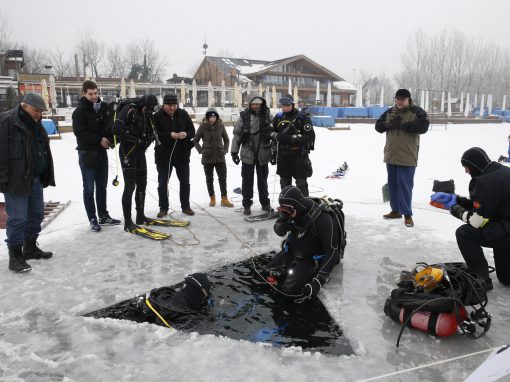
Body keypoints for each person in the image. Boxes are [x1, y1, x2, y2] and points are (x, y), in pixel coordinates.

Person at [430, 147, 510, 289]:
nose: (466, 171)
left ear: (474, 166)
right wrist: (457, 199)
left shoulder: (485, 183)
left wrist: (455, 209)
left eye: (466, 167)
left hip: (505, 231)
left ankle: (481, 280)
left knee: (464, 233)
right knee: (506, 278)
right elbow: (486, 205)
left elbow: (478, 221)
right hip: (505, 224)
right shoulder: (502, 172)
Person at [0, 93, 55, 273]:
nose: (39, 114)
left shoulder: (37, 125)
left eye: (40, 111)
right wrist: (3, 180)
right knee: (18, 219)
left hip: (35, 179)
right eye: (36, 110)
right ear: (25, 105)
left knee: (37, 215)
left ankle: (29, 247)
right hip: (16, 180)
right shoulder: (8, 121)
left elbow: (42, 149)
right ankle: (15, 256)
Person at [263, 186, 345, 301]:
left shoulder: (323, 218)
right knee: (267, 272)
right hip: (292, 251)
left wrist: (319, 280)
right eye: (282, 210)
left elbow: (332, 250)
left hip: (312, 260)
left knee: (288, 288)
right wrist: (282, 225)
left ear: (297, 205)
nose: (285, 213)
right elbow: (278, 228)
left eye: (287, 211)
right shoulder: (290, 210)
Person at [375, 88, 429, 227]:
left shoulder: (417, 112)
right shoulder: (390, 112)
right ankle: (395, 210)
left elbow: (423, 127)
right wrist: (388, 124)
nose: (399, 102)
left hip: (407, 156)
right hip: (391, 154)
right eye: (397, 99)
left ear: (408, 100)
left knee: (405, 186)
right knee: (392, 185)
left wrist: (403, 124)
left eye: (402, 99)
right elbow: (378, 126)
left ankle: (407, 214)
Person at [72, 80, 120, 232]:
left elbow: (108, 126)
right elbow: (79, 133)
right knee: (88, 189)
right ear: (84, 94)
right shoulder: (79, 111)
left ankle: (103, 215)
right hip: (87, 154)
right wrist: (99, 139)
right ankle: (92, 218)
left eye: (95, 93)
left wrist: (110, 139)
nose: (93, 96)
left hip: (101, 153)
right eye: (90, 94)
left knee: (102, 186)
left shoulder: (103, 108)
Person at [112, 94, 158, 232]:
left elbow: (150, 129)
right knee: (130, 186)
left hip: (139, 152)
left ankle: (140, 215)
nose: (149, 111)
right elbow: (116, 129)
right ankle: (128, 221)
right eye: (148, 108)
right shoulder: (129, 109)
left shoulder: (147, 113)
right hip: (127, 152)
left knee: (142, 184)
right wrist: (136, 140)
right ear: (143, 105)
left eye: (151, 109)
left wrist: (149, 139)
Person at [153, 94, 196, 216]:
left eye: (174, 105)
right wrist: (169, 135)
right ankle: (163, 208)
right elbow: (155, 134)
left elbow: (192, 131)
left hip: (182, 154)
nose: (172, 108)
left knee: (185, 182)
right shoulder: (157, 116)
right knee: (162, 183)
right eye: (169, 105)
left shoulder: (183, 114)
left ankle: (186, 206)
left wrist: (186, 134)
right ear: (163, 105)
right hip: (164, 156)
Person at [231, 96, 273, 215]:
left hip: (263, 153)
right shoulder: (244, 116)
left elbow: (275, 134)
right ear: (250, 105)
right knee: (247, 181)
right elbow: (237, 134)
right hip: (247, 152)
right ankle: (247, 204)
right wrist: (234, 151)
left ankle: (265, 203)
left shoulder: (268, 115)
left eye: (258, 104)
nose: (256, 106)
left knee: (263, 181)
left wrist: (274, 152)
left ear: (262, 104)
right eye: (254, 104)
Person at [271, 95, 315, 197]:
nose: (285, 107)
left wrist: (294, 139)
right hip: (283, 155)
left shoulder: (302, 117)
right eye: (283, 105)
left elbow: (310, 135)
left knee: (301, 183)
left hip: (298, 155)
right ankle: (286, 206)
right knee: (284, 184)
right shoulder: (278, 117)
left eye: (287, 105)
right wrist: (275, 139)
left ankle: (304, 206)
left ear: (292, 104)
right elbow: (269, 131)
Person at [194, 107, 233, 207]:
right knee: (209, 179)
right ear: (207, 117)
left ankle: (224, 198)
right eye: (210, 117)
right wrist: (201, 150)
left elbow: (227, 140)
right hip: (207, 157)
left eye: (214, 116)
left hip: (220, 156)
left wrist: (225, 149)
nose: (212, 119)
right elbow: (195, 140)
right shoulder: (203, 127)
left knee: (223, 178)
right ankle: (212, 197)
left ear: (216, 117)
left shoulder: (221, 126)